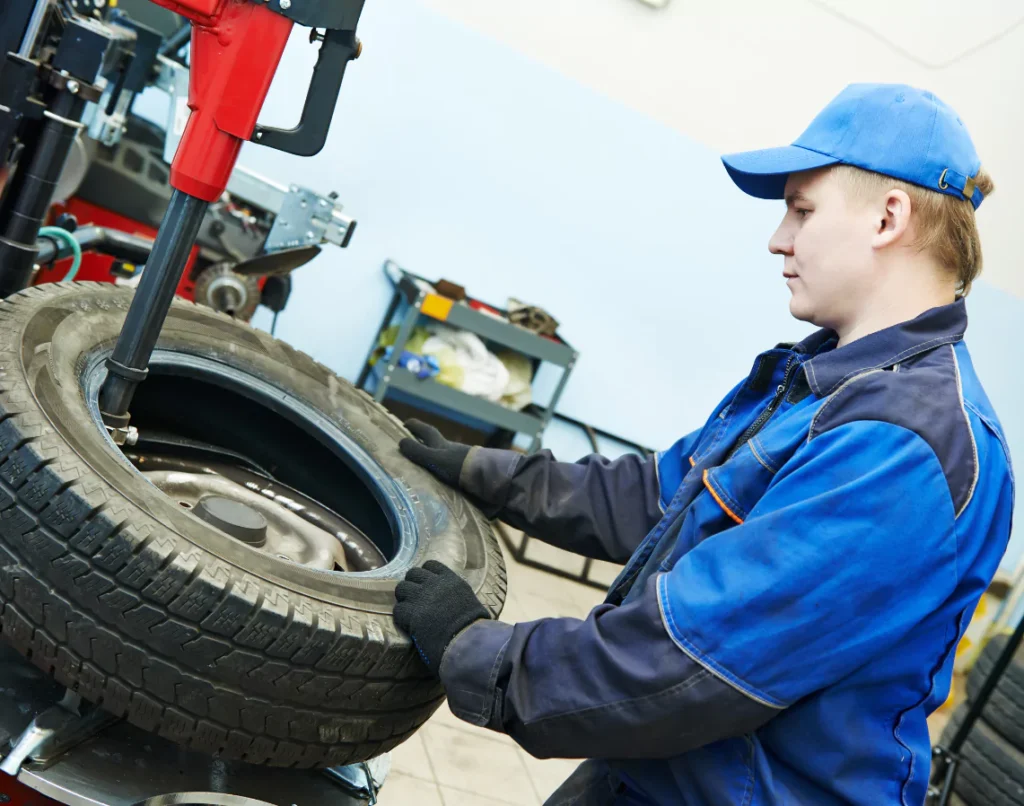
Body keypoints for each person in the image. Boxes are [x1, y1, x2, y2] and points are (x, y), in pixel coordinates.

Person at [392, 83, 1014, 805]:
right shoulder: (822, 384)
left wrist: (479, 652)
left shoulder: (904, 444)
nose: (778, 238)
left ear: (887, 216)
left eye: (802, 210)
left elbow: (687, 664)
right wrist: (483, 470)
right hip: (658, 772)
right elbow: (658, 496)